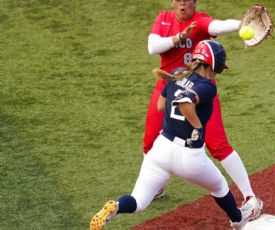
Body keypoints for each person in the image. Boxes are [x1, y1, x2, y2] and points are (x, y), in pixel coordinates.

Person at [90, 40, 262, 230]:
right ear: (214, 64)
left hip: (161, 150)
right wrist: (196, 126)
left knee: (138, 202)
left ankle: (116, 207)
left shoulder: (178, 72)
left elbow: (161, 105)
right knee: (220, 186)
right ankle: (238, 219)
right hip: (189, 157)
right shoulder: (208, 85)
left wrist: (178, 116)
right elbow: (184, 102)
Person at [145, 0, 258, 204]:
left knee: (218, 145)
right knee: (149, 141)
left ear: (194, 3)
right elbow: (153, 47)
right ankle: (156, 187)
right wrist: (180, 37)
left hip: (199, 91)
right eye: (178, 1)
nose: (182, 5)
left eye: (187, 1)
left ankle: (250, 196)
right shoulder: (163, 19)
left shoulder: (200, 21)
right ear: (173, 2)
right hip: (168, 86)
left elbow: (217, 26)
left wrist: (239, 24)